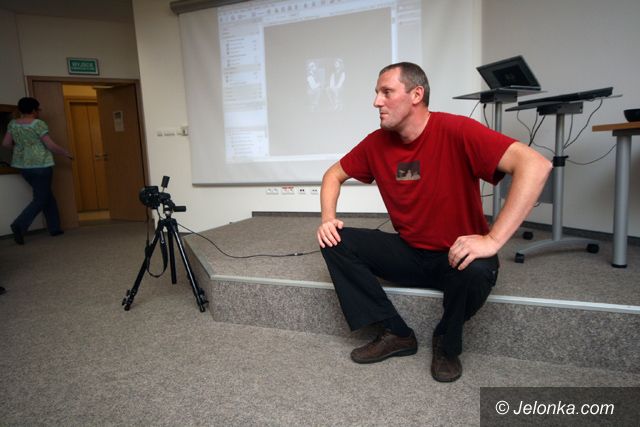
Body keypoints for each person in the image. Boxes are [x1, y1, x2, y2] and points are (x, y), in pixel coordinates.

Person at [316, 62, 551, 382]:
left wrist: (493, 240)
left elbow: (535, 166)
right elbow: (333, 175)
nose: (376, 102)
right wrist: (328, 219)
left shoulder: (457, 130)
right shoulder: (376, 143)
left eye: (386, 92)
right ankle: (396, 333)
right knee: (334, 240)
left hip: (456, 256)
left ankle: (446, 343)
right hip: (409, 251)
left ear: (416, 94)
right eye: (377, 93)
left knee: (479, 269)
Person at [2, 97, 72, 245]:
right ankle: (19, 225)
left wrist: (20, 148)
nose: (39, 112)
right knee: (41, 198)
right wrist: (65, 152)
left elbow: (6, 143)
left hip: (23, 166)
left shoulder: (13, 124)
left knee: (46, 195)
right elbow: (50, 145)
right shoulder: (38, 124)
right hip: (41, 165)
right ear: (33, 110)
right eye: (38, 109)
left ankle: (55, 228)